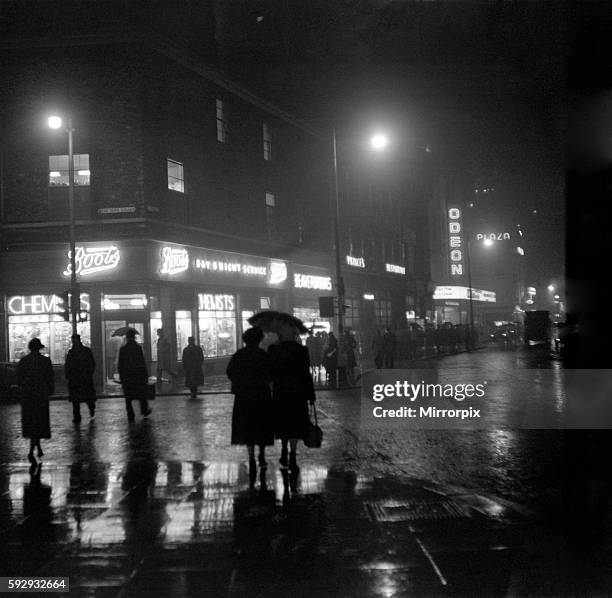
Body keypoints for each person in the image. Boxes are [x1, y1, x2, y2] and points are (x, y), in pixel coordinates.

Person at [227, 328, 274, 486]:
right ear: (259, 340)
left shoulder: (239, 355)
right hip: (261, 395)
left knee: (247, 426)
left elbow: (230, 372)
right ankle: (261, 453)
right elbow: (271, 373)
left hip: (244, 396)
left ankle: (251, 456)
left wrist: (240, 383)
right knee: (261, 424)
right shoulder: (263, 355)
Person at [269, 321, 316, 474]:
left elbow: (270, 373)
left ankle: (283, 449)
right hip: (297, 393)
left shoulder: (274, 350)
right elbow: (306, 374)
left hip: (280, 392)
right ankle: (293, 455)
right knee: (295, 425)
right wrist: (311, 395)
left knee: (283, 423)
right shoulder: (301, 350)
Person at [17, 338, 54, 465]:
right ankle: (36, 447)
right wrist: (50, 390)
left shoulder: (24, 361)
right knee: (40, 420)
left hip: (28, 395)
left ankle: (34, 448)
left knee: (31, 420)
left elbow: (19, 377)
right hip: (41, 394)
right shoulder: (45, 361)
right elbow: (50, 377)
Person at [118, 328, 151, 422]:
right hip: (137, 375)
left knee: (128, 397)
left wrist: (121, 375)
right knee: (141, 394)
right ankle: (144, 410)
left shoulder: (123, 349)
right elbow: (141, 363)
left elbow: (121, 364)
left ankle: (130, 414)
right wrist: (145, 375)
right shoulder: (138, 348)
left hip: (127, 376)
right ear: (134, 337)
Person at [65, 334, 96, 423]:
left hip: (81, 378)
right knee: (77, 400)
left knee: (83, 398)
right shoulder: (80, 351)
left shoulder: (81, 351)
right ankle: (78, 416)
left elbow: (91, 364)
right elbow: (68, 365)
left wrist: (88, 373)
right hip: (78, 379)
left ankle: (89, 410)